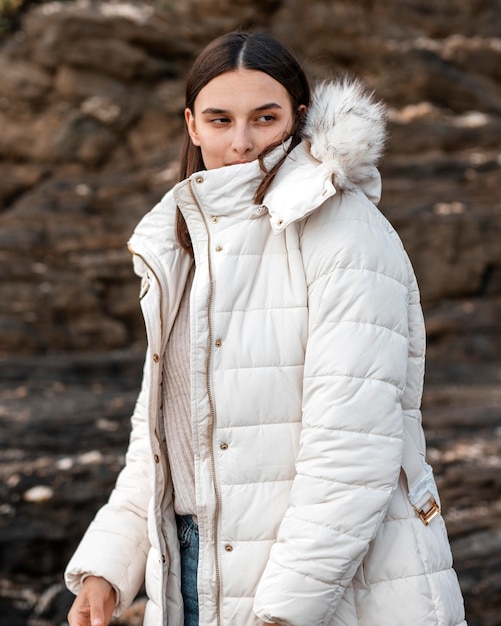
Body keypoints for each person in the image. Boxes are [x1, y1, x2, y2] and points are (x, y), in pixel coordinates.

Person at [65, 31, 467, 626]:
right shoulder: (180, 245)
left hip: (330, 591)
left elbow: (351, 455)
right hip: (191, 572)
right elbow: (162, 439)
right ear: (192, 125)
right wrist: (107, 570)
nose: (242, 142)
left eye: (265, 117)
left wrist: (283, 614)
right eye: (220, 120)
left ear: (298, 119)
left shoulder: (346, 235)